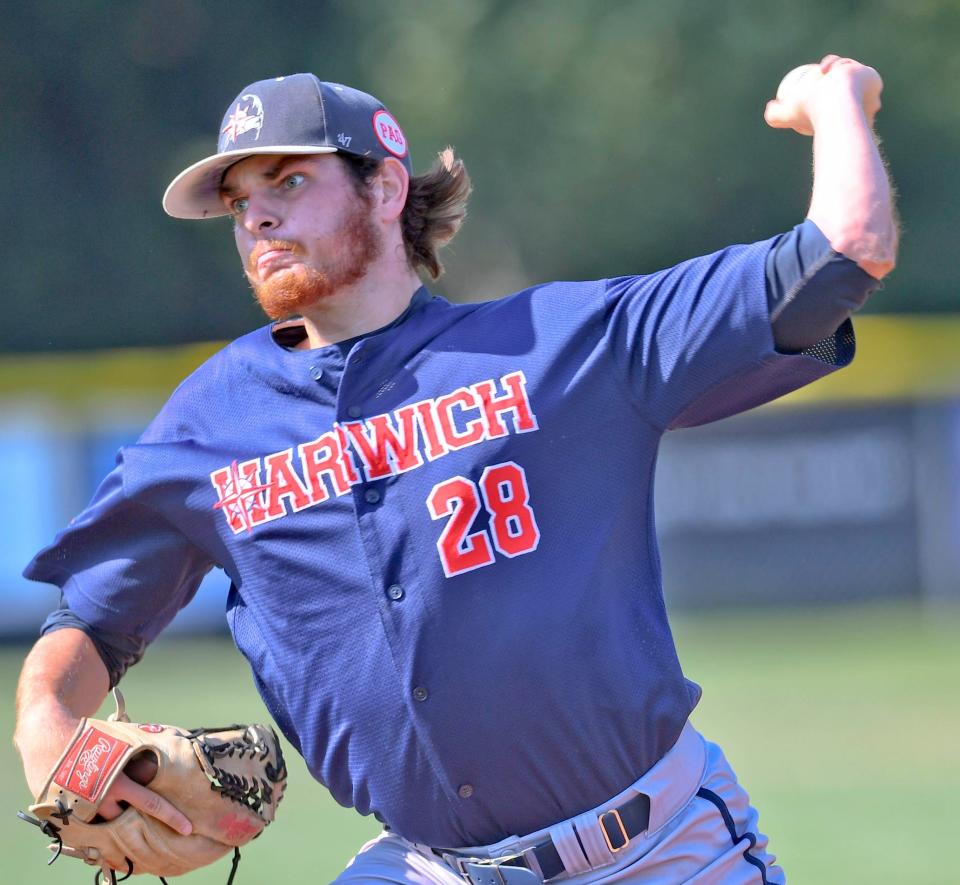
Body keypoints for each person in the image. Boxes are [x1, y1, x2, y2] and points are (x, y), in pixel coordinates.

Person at [15, 55, 896, 884]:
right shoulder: (209, 423)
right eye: (240, 200)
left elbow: (842, 254)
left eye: (289, 182)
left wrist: (837, 105)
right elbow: (87, 629)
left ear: (387, 185)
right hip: (428, 864)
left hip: (656, 850)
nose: (258, 217)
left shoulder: (559, 347)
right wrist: (56, 737)